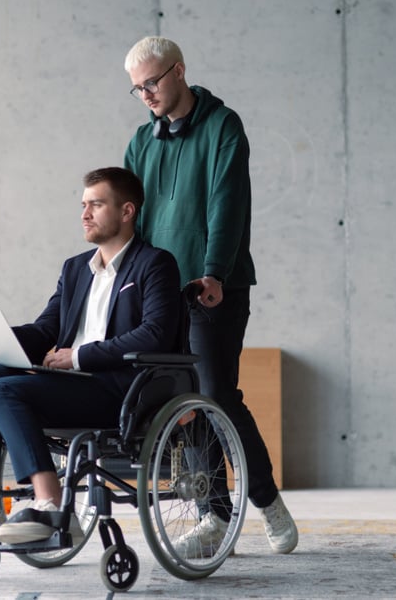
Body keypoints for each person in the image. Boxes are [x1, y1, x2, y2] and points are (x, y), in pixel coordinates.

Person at [0, 166, 181, 546]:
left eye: (97, 204)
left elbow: (155, 335)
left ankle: (52, 504)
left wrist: (79, 357)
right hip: (71, 386)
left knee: (3, 392)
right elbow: (44, 332)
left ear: (126, 211)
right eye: (83, 205)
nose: (85, 214)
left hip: (122, 391)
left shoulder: (155, 264)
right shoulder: (75, 270)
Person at [123, 36, 298, 557]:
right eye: (136, 89)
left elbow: (228, 206)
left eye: (151, 82)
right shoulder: (140, 141)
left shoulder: (224, 127)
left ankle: (265, 500)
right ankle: (214, 516)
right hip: (162, 292)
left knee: (217, 395)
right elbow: (134, 217)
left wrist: (214, 273)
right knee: (178, 404)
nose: (146, 94)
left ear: (178, 71)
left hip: (215, 287)